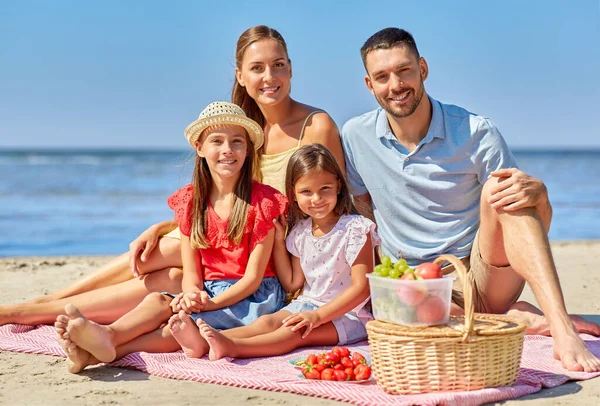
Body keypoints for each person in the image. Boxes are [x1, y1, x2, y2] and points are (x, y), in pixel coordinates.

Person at [0, 25, 344, 326]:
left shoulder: (316, 125)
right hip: (228, 237)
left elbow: (334, 200)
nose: (269, 77)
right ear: (240, 75)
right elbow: (221, 200)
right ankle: (46, 306)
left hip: (269, 248)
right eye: (257, 68)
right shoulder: (238, 130)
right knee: (168, 269)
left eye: (278, 65)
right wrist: (161, 225)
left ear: (290, 68)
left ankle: (35, 310)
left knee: (165, 258)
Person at [341, 27, 600, 372]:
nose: (396, 85)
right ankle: (513, 318)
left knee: (502, 189)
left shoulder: (476, 131)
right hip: (416, 282)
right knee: (414, 317)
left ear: (423, 69)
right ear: (369, 85)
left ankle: (561, 326)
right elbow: (363, 212)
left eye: (404, 71)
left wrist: (542, 195)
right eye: (382, 77)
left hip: (483, 273)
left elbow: (530, 219)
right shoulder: (355, 136)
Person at [57, 144, 379, 368]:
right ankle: (103, 347)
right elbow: (293, 280)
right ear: (294, 195)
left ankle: (228, 345)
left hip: (346, 316)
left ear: (339, 186)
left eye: (325, 189)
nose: (317, 198)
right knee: (268, 321)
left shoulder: (356, 229)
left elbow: (361, 289)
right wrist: (280, 241)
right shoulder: (298, 233)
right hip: (307, 305)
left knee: (290, 333)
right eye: (306, 192)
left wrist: (317, 317)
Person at [54, 101, 289, 372]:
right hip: (209, 290)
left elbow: (252, 279)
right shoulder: (192, 202)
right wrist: (191, 294)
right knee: (158, 300)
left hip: (252, 297)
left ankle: (105, 349)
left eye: (237, 141)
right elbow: (191, 272)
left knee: (179, 326)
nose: (227, 150)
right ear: (200, 148)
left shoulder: (263, 201)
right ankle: (109, 335)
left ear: (248, 150)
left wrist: (206, 303)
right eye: (217, 141)